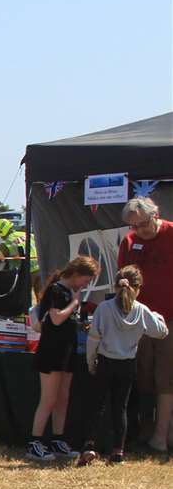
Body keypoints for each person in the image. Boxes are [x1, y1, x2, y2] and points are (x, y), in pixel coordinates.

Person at [78, 265, 168, 466]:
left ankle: (90, 445)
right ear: (138, 288)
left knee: (97, 405)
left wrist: (90, 361)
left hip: (105, 361)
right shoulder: (142, 310)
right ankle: (118, 451)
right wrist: (157, 316)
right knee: (121, 408)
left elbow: (93, 338)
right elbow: (161, 332)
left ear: (116, 286)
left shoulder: (104, 308)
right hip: (127, 364)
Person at [27, 255, 99, 463]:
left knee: (62, 398)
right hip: (52, 352)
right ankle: (35, 442)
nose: (87, 284)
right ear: (76, 274)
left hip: (68, 351)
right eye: (86, 279)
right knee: (48, 399)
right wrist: (75, 303)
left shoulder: (69, 291)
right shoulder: (56, 290)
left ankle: (58, 439)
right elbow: (56, 318)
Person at [116, 197, 172, 453]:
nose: (139, 231)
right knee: (143, 378)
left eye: (143, 224)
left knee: (166, 378)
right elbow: (122, 282)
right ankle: (145, 432)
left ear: (156, 214)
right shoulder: (129, 242)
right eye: (133, 226)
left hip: (169, 320)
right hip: (138, 322)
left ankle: (161, 436)